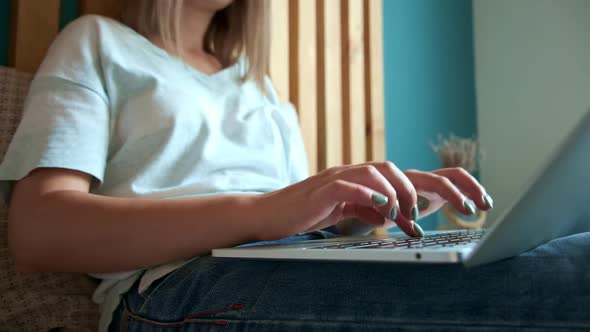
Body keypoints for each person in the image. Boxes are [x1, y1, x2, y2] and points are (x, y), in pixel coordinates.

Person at [0, 0, 588, 331]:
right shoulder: (97, 43)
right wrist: (265, 211)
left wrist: (358, 211)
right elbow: (39, 232)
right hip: (172, 287)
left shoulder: (261, 87)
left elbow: (295, 228)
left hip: (271, 266)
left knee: (562, 250)